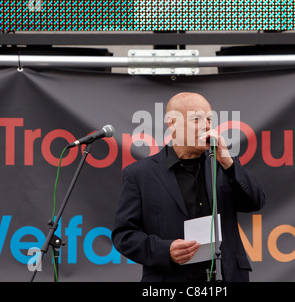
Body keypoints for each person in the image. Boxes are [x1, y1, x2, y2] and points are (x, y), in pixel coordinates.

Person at [112, 92, 266, 282]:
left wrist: (227, 162)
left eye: (209, 119)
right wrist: (165, 250)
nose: (206, 126)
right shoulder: (140, 174)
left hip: (225, 276)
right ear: (172, 124)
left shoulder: (224, 163)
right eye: (196, 119)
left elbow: (255, 202)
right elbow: (124, 235)